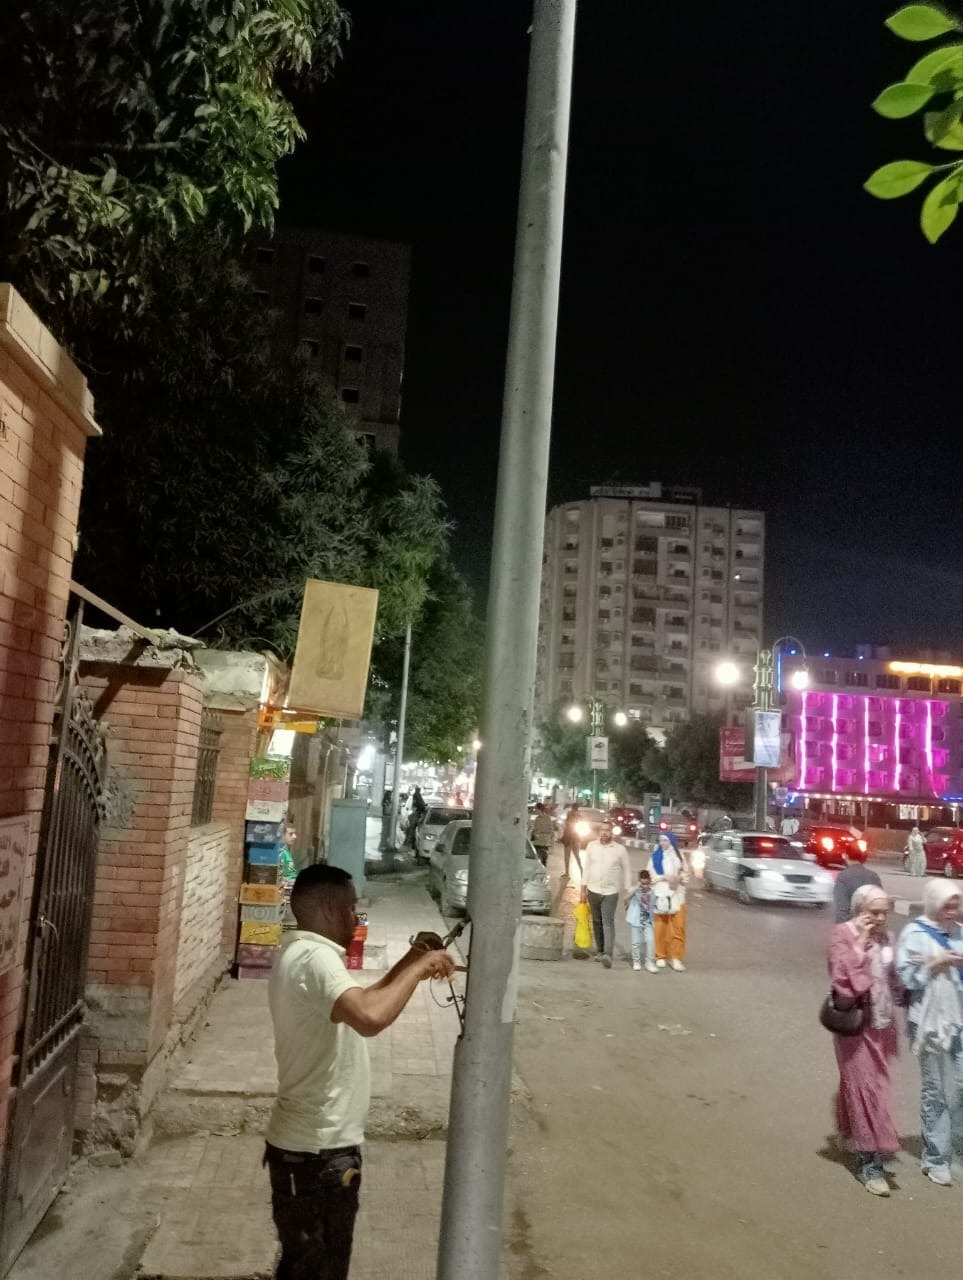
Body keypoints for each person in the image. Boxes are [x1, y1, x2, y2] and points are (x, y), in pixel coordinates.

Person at [264, 864, 454, 1277]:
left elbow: (359, 1003)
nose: (356, 917)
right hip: (316, 1154)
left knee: (306, 1267)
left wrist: (411, 959)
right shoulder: (315, 957)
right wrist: (420, 969)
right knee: (317, 1270)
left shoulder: (303, 952)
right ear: (329, 909)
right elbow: (369, 1018)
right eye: (351, 908)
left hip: (311, 1151)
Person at [827, 884, 902, 1196]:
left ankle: (850, 1133)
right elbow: (844, 982)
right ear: (860, 910)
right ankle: (869, 1163)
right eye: (874, 912)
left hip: (881, 1025)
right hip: (855, 1028)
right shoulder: (842, 935)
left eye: (885, 913)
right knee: (867, 1090)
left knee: (867, 1085)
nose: (880, 919)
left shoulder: (886, 938)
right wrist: (859, 942)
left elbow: (894, 979)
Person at [896, 879, 963, 1187]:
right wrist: (937, 964)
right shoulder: (915, 934)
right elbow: (907, 979)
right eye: (948, 903)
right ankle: (935, 1158)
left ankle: (951, 1142)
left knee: (960, 1086)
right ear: (934, 902)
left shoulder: (960, 932)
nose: (953, 908)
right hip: (928, 1022)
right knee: (935, 1091)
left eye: (956, 903)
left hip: (958, 1020)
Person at [580, 819, 632, 969]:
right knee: (597, 921)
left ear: (611, 833)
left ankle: (608, 954)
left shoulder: (620, 850)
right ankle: (600, 951)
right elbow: (587, 868)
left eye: (607, 830)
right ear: (599, 832)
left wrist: (628, 892)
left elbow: (627, 871)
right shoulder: (592, 846)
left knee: (607, 922)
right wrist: (582, 890)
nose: (604, 833)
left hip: (611, 892)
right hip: (593, 889)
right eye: (602, 830)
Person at [647, 831, 690, 972]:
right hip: (661, 895)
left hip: (678, 895)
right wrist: (664, 877)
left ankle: (676, 957)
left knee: (678, 927)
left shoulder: (679, 855)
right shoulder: (655, 856)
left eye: (665, 840)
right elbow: (650, 874)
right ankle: (660, 956)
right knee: (660, 928)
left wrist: (680, 878)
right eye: (661, 840)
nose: (663, 843)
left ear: (671, 841)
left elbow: (685, 872)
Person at [834, 845, 882, 924]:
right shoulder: (874, 876)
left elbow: (842, 908)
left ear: (845, 856)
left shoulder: (843, 876)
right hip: (871, 923)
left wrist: (843, 927)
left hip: (853, 924)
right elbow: (880, 903)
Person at [624, 869, 656, 973]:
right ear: (639, 882)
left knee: (650, 940)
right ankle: (636, 961)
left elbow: (655, 905)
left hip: (647, 920)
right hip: (636, 920)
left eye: (647, 883)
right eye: (642, 883)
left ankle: (649, 962)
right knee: (636, 942)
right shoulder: (636, 890)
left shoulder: (652, 892)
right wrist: (636, 887)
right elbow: (625, 897)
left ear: (650, 881)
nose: (645, 886)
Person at [562, 803, 584, 880]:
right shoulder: (579, 816)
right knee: (577, 856)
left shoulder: (570, 814)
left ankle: (567, 873)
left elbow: (566, 826)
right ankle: (581, 871)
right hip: (576, 838)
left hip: (569, 838)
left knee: (567, 856)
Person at [529, 802, 555, 867]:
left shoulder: (538, 819)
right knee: (543, 860)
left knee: (537, 860)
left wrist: (533, 834)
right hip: (544, 842)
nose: (535, 810)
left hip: (539, 842)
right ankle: (543, 869)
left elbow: (536, 830)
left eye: (536, 809)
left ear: (539, 809)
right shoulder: (547, 818)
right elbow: (551, 830)